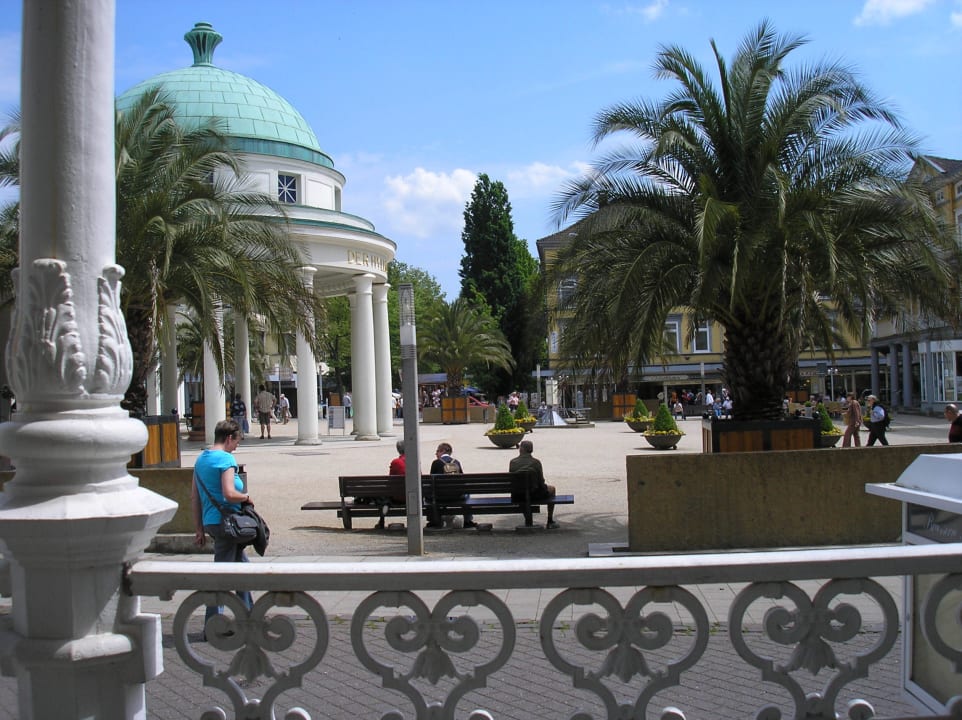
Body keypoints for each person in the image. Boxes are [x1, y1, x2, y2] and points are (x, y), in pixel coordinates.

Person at [191, 419, 253, 629]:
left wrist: (199, 528)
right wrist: (246, 497)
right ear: (228, 439)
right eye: (237, 441)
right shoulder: (226, 459)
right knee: (222, 576)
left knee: (242, 569)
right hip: (227, 523)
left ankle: (249, 616)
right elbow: (229, 493)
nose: (237, 446)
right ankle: (213, 625)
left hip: (211, 521)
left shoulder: (201, 459)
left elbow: (194, 497)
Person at [509, 440, 558, 529]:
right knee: (552, 489)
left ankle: (528, 519)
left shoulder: (513, 462)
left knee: (522, 493)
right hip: (534, 495)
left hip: (517, 495)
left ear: (521, 449)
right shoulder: (536, 463)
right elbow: (541, 481)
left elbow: (512, 481)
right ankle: (550, 520)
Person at [427, 442, 476, 529]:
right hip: (457, 496)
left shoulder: (436, 463)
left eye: (437, 451)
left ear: (442, 451)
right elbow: (462, 480)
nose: (436, 454)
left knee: (428, 496)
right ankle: (468, 521)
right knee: (467, 494)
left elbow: (431, 481)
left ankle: (433, 521)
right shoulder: (456, 462)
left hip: (439, 496)